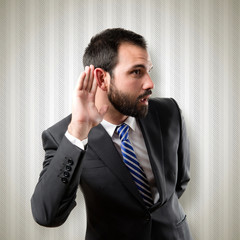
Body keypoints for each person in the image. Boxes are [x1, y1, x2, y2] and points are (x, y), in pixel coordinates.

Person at [31, 28, 193, 240]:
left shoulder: (168, 112)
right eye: (136, 72)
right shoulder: (64, 136)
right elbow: (47, 215)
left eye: (148, 70)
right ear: (102, 78)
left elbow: (179, 182)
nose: (150, 84)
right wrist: (79, 130)